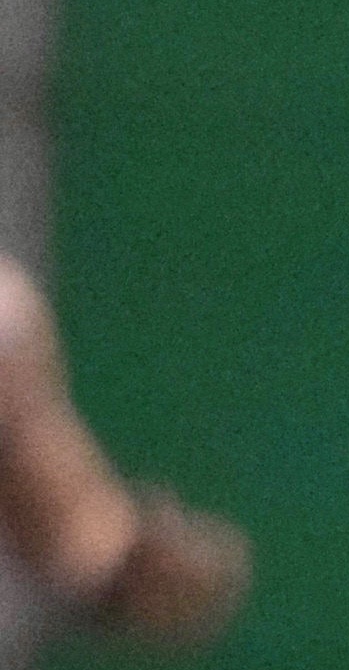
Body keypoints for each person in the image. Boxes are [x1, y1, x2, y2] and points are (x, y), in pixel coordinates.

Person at [0, 257, 247, 648]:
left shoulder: (88, 548)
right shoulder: (102, 534)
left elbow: (21, 446)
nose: (173, 515)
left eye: (184, 542)